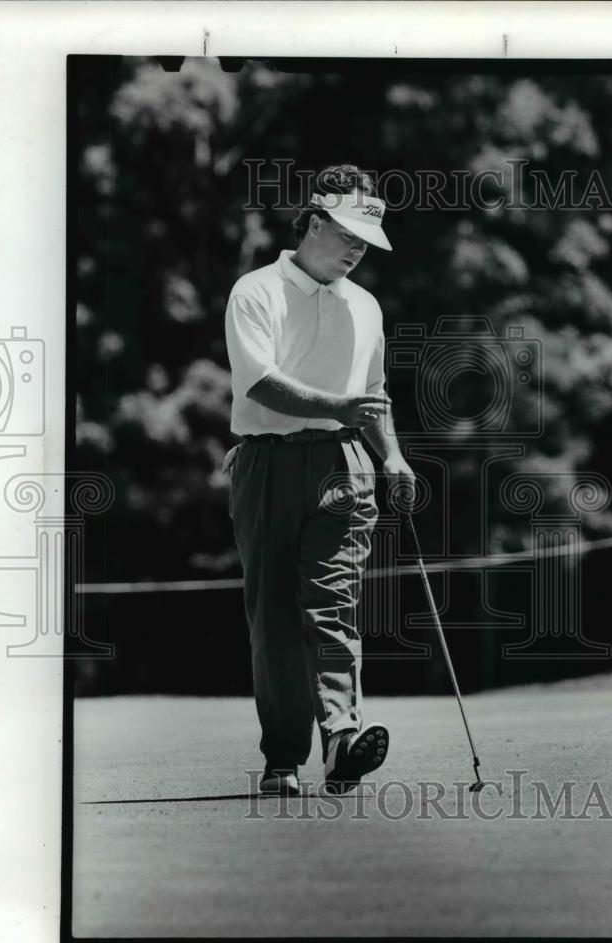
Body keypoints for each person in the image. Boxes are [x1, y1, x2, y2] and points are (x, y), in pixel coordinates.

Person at [223, 164, 415, 795]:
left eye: (367, 241)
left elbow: (374, 395)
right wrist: (340, 407)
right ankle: (283, 758)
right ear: (311, 222)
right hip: (265, 465)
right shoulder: (255, 291)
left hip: (343, 466)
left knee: (334, 605)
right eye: (348, 235)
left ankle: (341, 739)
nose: (359, 250)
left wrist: (393, 457)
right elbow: (261, 382)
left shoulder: (366, 305)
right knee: (273, 615)